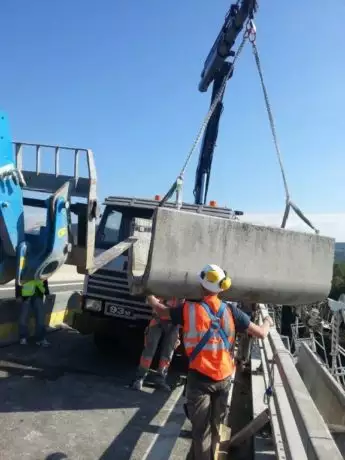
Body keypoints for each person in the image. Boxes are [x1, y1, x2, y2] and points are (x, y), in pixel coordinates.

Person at [148, 264, 274, 460]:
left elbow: (162, 311)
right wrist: (267, 321)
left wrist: (150, 296)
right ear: (222, 288)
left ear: (201, 286)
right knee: (216, 429)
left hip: (200, 379)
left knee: (201, 433)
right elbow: (261, 333)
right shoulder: (231, 311)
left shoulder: (189, 309)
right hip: (224, 379)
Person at [132, 296, 183, 392]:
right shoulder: (162, 283)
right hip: (158, 319)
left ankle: (160, 379)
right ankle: (140, 378)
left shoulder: (183, 286)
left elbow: (183, 306)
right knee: (149, 350)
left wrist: (179, 332)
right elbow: (150, 297)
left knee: (168, 353)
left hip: (174, 323)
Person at [16, 279, 51, 347]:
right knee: (24, 316)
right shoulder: (22, 267)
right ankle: (23, 337)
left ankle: (40, 339)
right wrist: (18, 295)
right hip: (25, 294)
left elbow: (44, 278)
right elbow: (18, 279)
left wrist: (47, 293)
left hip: (38, 293)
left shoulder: (40, 267)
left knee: (41, 317)